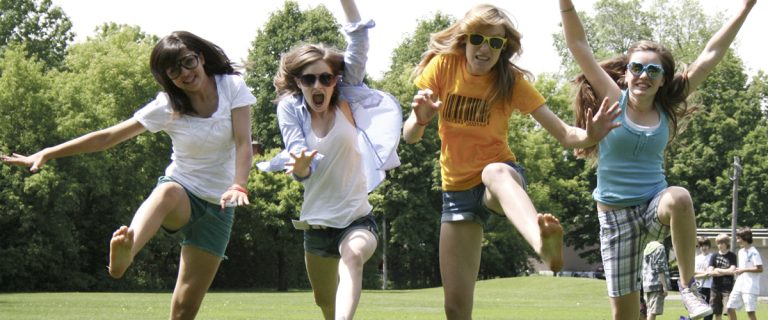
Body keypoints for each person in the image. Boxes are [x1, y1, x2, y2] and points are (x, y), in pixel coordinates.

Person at [1, 31, 255, 319]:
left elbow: (244, 141)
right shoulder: (167, 105)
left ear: (201, 58)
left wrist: (239, 185)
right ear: (167, 77)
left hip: (221, 206)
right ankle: (125, 254)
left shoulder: (232, 86)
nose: (185, 73)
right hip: (182, 191)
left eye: (188, 62)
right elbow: (108, 137)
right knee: (167, 191)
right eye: (174, 70)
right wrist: (48, 152)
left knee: (185, 309)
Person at [402, 4, 620, 319]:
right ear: (465, 40)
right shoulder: (443, 67)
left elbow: (563, 133)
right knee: (455, 308)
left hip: (500, 182)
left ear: (504, 48)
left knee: (494, 171)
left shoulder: (510, 81)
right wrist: (420, 120)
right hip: (456, 193)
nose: (485, 48)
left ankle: (541, 242)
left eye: (495, 43)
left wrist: (591, 134)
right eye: (478, 39)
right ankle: (539, 240)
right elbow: (410, 136)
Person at [559, 0, 756, 318]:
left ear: (663, 78)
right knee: (625, 315)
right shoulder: (613, 98)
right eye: (636, 68)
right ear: (626, 74)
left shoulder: (665, 108)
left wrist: (746, 8)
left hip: (654, 206)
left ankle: (689, 289)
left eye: (653, 70)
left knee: (680, 196)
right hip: (615, 221)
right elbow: (578, 45)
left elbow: (710, 55)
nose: (643, 75)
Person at [259, 0, 401, 318]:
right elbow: (300, 157)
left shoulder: (346, 99)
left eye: (325, 78)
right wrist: (300, 168)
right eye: (309, 80)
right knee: (325, 302)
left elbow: (359, 41)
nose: (318, 85)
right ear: (299, 82)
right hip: (317, 225)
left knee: (352, 256)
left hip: (357, 221)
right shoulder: (289, 110)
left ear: (335, 79)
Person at [726, 227, 763, 320]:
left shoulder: (754, 252)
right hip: (739, 284)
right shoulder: (740, 252)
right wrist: (739, 271)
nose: (737, 241)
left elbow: (760, 269)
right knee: (729, 308)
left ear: (745, 238)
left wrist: (743, 270)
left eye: (738, 238)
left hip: (750, 287)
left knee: (750, 312)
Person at [709, 233, 737, 320]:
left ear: (726, 243)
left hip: (727, 288)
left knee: (729, 310)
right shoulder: (714, 256)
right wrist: (725, 271)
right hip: (715, 288)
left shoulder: (732, 256)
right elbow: (710, 272)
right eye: (718, 243)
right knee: (717, 312)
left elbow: (732, 271)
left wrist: (718, 270)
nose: (720, 245)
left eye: (722, 243)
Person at [642, 241, 671, 320]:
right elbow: (660, 268)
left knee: (648, 310)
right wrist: (664, 286)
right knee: (653, 312)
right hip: (657, 284)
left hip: (646, 283)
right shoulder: (659, 247)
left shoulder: (647, 247)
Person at [694, 237, 714, 320]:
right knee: (699, 311)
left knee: (709, 311)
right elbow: (693, 274)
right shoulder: (696, 258)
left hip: (710, 287)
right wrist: (705, 274)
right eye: (701, 245)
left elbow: (711, 272)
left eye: (705, 245)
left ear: (709, 246)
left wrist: (706, 273)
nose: (704, 247)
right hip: (699, 287)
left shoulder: (712, 257)